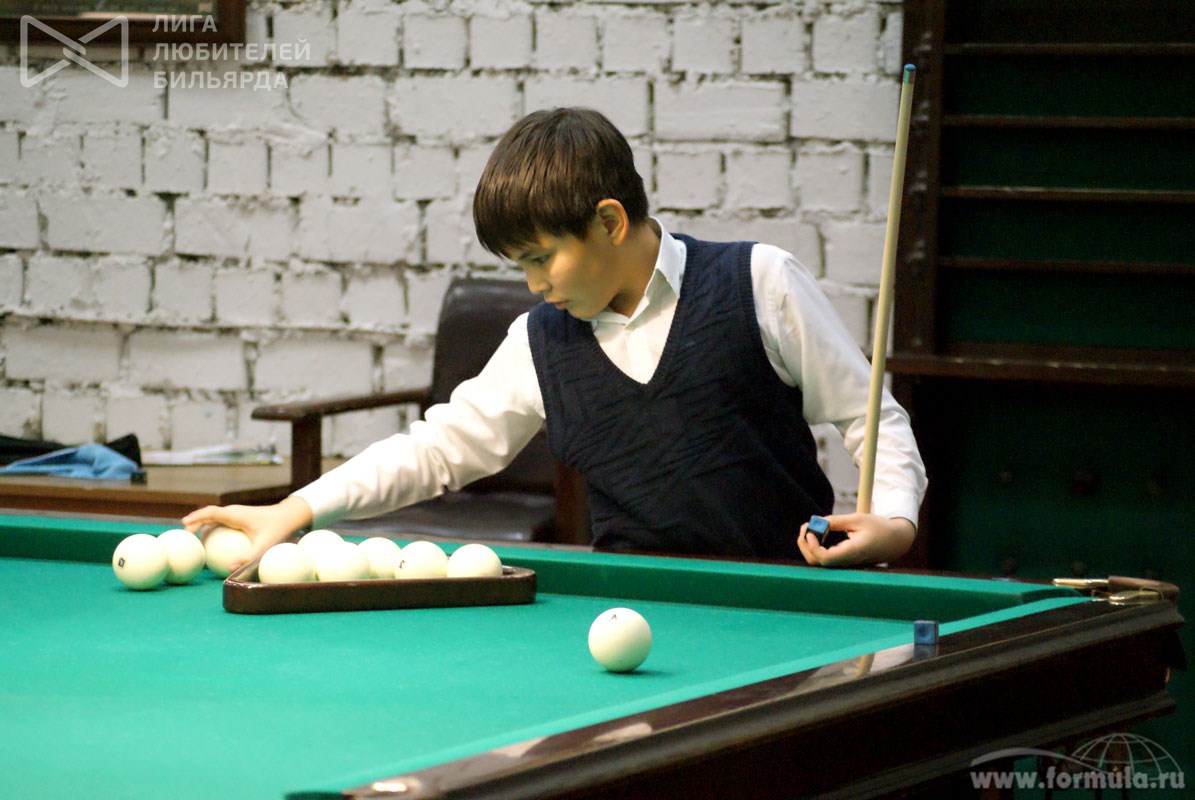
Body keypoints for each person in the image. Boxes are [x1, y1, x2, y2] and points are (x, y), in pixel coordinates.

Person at [183, 107, 926, 568]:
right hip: (629, 612)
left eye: (541, 258)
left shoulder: (758, 280)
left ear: (608, 221)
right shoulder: (540, 340)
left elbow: (869, 416)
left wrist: (894, 523)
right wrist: (295, 510)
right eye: (520, 265)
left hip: (789, 601)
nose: (534, 284)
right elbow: (438, 449)